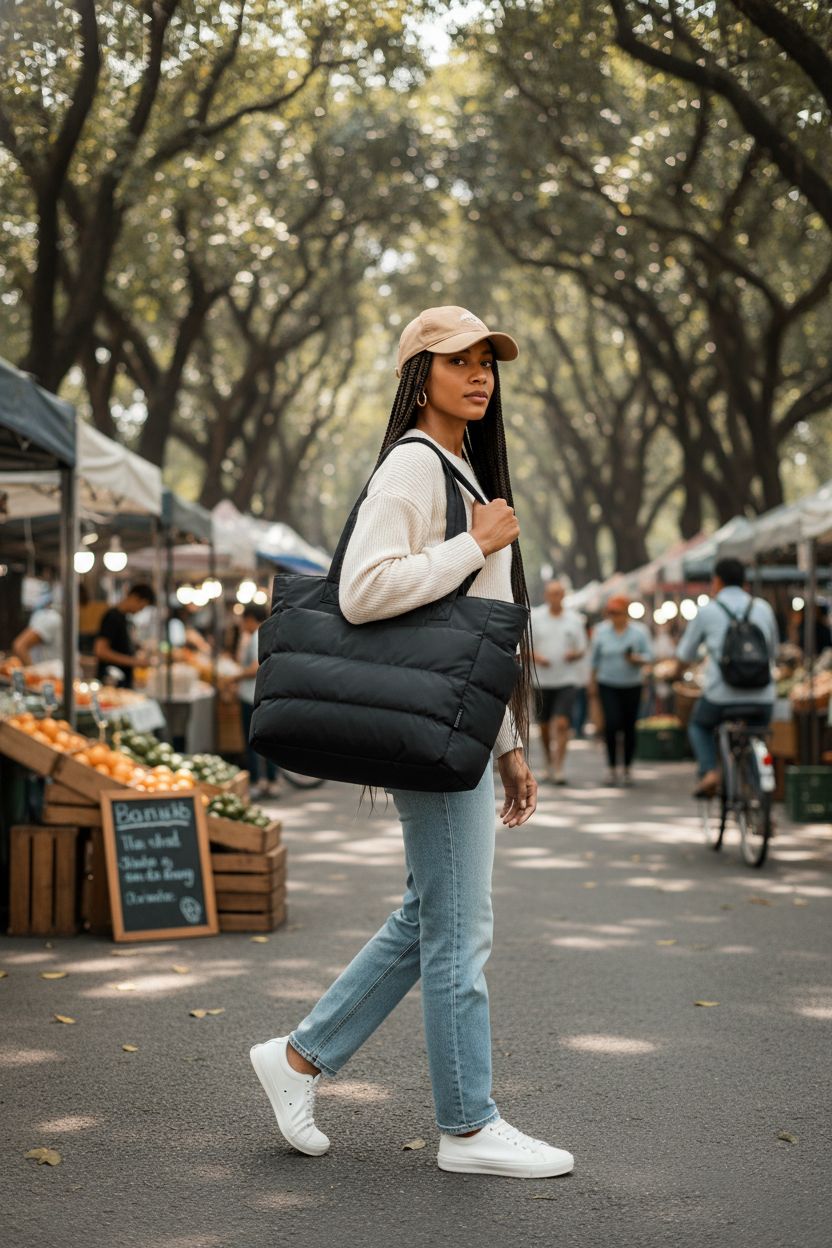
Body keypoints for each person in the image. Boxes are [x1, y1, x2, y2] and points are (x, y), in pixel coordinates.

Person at [248, 305, 574, 1180]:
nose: (478, 375)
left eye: (487, 363)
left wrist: (504, 741)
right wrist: (471, 547)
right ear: (417, 373)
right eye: (457, 360)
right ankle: (468, 1127)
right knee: (460, 933)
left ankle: (299, 1057)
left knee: (429, 917)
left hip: (451, 730)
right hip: (425, 733)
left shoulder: (461, 472)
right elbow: (363, 592)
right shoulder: (412, 469)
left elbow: (469, 641)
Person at [675, 558, 778, 797]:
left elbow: (685, 653)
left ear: (717, 581)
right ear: (745, 582)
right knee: (755, 735)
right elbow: (772, 652)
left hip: (721, 696)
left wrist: (676, 673)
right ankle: (760, 797)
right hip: (762, 696)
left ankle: (710, 770)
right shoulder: (762, 608)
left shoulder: (708, 611)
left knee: (699, 725)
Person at [590, 594, 652, 786]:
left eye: (617, 612)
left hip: (632, 684)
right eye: (611, 613)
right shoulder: (601, 631)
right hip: (607, 683)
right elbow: (594, 660)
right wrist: (591, 684)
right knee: (612, 724)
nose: (614, 616)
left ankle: (627, 768)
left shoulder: (639, 632)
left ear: (626, 613)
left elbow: (649, 655)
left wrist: (637, 659)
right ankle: (611, 768)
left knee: (629, 727)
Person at [530, 579, 587, 784]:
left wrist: (575, 654)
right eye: (552, 593)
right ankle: (548, 759)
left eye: (559, 593)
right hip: (541, 680)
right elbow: (524, 647)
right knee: (544, 725)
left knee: (562, 723)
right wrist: (535, 657)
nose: (556, 597)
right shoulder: (535, 618)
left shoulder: (574, 620)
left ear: (564, 595)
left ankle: (560, 766)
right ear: (546, 596)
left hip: (567, 678)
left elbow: (582, 649)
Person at [236, 603, 280, 800]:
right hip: (262, 694)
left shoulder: (256, 636)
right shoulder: (269, 632)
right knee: (267, 739)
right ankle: (271, 780)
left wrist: (234, 677)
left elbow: (256, 665)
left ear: (249, 619)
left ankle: (257, 781)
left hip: (250, 695)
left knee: (253, 741)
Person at [93, 583, 156, 688]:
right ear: (135, 597)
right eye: (142, 606)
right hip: (112, 680)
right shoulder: (112, 617)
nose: (140, 610)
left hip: (123, 681)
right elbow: (101, 651)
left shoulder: (125, 619)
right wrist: (135, 662)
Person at [12, 595, 62, 666]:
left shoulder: (62, 622)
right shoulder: (52, 619)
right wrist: (32, 672)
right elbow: (20, 646)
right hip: (47, 674)